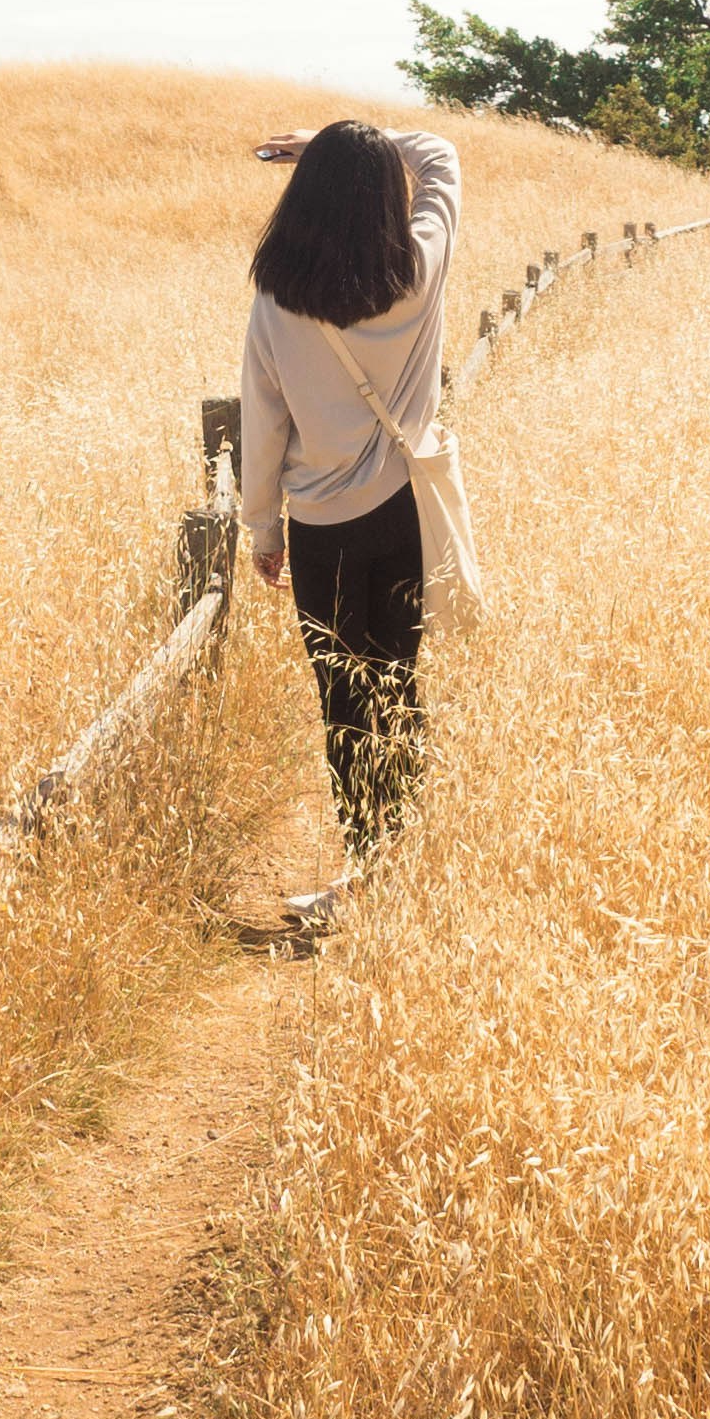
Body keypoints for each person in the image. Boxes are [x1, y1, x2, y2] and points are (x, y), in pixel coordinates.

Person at [238, 118, 459, 871]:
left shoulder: (276, 299)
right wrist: (360, 143)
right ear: (383, 199)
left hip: (322, 524)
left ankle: (367, 856)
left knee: (343, 701)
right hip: (405, 509)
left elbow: (262, 420)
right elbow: (441, 159)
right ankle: (404, 856)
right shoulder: (419, 268)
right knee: (399, 681)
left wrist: (264, 529)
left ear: (303, 196)